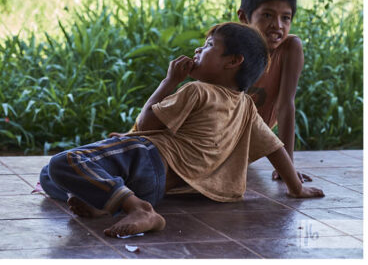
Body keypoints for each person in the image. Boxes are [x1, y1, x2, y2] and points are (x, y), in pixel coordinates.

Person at [38, 22, 324, 238]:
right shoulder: (246, 107)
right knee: (51, 181)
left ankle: (139, 210)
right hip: (159, 186)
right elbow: (276, 148)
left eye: (209, 45)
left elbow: (146, 124)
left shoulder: (198, 90)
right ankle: (109, 202)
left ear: (233, 61)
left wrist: (169, 81)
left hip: (148, 157)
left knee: (62, 164)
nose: (198, 50)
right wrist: (295, 188)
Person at [237, 0, 310, 182]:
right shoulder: (230, 46)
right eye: (267, 15)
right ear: (244, 17)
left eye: (285, 18)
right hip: (216, 141)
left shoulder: (290, 48)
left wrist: (287, 167)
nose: (277, 25)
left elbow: (285, 105)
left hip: (248, 148)